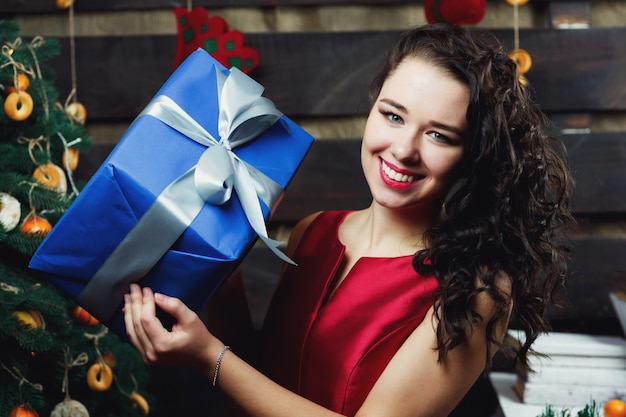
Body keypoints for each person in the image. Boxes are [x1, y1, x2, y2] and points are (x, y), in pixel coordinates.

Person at [124, 23, 574, 417]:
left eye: (439, 134)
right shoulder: (312, 232)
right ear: (372, 109)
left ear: (473, 154)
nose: (403, 149)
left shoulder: (475, 289)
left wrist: (207, 357)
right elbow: (251, 387)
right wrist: (217, 263)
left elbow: (223, 364)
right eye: (393, 115)